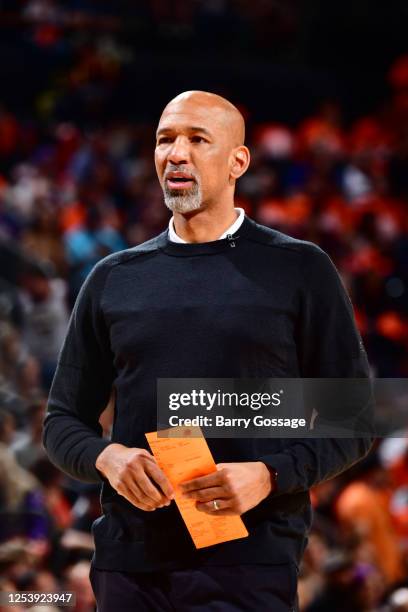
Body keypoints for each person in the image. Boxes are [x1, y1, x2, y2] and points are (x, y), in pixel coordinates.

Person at [43, 91, 374, 611]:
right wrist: (108, 457)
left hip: (248, 560)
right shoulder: (112, 278)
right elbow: (62, 421)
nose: (177, 153)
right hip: (130, 562)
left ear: (237, 160)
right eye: (165, 140)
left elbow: (352, 418)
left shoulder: (300, 269)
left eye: (198, 139)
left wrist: (270, 476)